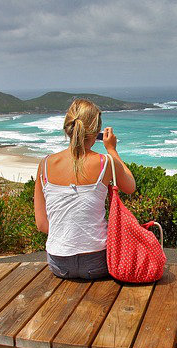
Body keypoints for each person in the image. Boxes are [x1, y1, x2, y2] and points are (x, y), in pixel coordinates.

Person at [34, 99, 136, 279]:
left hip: (59, 264)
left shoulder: (45, 165)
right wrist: (112, 149)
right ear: (96, 132)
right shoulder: (105, 162)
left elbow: (42, 224)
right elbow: (130, 186)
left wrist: (70, 234)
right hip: (97, 262)